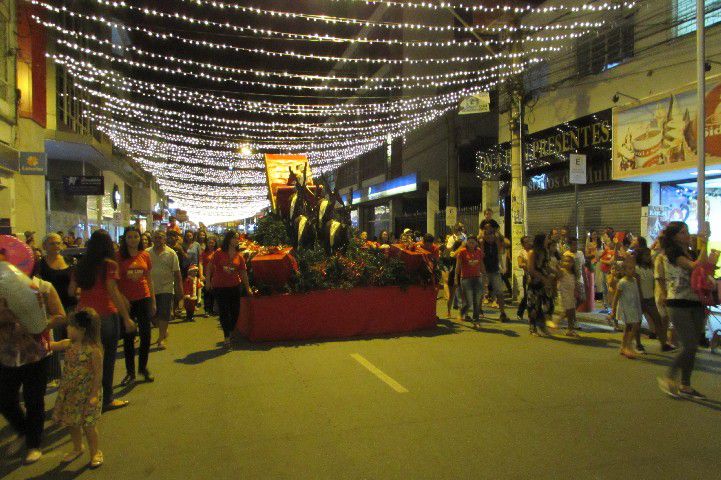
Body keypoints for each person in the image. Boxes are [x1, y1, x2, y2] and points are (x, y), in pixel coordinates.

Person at [0, 272, 66, 464]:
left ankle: (33, 443)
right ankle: (23, 431)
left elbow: (60, 315)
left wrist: (38, 324)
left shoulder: (42, 286)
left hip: (34, 352)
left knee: (34, 399)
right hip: (6, 353)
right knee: (4, 398)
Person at [71, 229, 135, 412]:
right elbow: (112, 291)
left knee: (87, 359)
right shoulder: (109, 265)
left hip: (83, 317)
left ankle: (84, 397)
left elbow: (71, 291)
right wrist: (126, 317)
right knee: (106, 360)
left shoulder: (81, 264)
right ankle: (106, 398)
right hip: (105, 315)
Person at [657, 222, 708, 399]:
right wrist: (705, 242)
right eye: (682, 232)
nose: (687, 234)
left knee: (693, 347)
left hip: (695, 301)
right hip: (678, 302)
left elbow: (702, 267)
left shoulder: (690, 251)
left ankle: (686, 384)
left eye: (687, 231)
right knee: (689, 345)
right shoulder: (672, 253)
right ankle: (669, 376)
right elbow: (694, 266)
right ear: (673, 236)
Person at [50, 309, 104, 468]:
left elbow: (98, 375)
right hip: (70, 394)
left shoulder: (94, 351)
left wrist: (94, 395)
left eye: (70, 326)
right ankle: (77, 447)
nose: (67, 328)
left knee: (89, 426)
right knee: (72, 423)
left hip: (87, 395)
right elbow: (52, 345)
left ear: (81, 329)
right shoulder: (69, 344)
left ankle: (95, 452)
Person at [116, 226, 156, 384]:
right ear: (124, 239)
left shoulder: (145, 255)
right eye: (129, 237)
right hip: (126, 301)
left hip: (144, 298)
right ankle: (130, 371)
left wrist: (153, 300)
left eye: (135, 236)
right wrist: (121, 298)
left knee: (146, 335)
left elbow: (149, 278)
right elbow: (115, 281)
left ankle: (143, 368)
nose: (133, 240)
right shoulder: (119, 256)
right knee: (128, 336)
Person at [37, 233, 78, 383]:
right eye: (52, 243)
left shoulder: (69, 261)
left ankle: (73, 370)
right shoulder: (41, 264)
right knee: (53, 340)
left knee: (73, 338)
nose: (56, 246)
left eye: (58, 243)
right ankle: (54, 375)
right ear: (45, 246)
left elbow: (75, 280)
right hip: (51, 308)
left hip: (70, 304)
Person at [207, 230, 253, 348]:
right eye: (235, 238)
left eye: (237, 238)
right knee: (224, 312)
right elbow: (209, 267)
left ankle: (231, 331)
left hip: (234, 286)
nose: (237, 240)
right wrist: (207, 281)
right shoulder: (219, 253)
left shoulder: (239, 255)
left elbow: (243, 273)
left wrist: (248, 288)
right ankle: (227, 336)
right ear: (228, 239)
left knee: (235, 311)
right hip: (220, 286)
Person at [148, 230, 183, 350]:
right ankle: (163, 330)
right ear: (152, 239)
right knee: (152, 315)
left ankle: (161, 339)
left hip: (166, 288)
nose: (158, 239)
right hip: (150, 288)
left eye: (161, 237)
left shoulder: (171, 253)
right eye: (156, 237)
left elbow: (177, 274)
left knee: (164, 313)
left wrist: (180, 292)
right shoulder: (147, 253)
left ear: (165, 239)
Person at [613, 256, 643, 359]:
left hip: (634, 307)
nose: (633, 270)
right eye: (630, 268)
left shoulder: (634, 280)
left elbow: (637, 294)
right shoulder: (622, 282)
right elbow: (616, 297)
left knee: (628, 327)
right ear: (624, 270)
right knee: (633, 326)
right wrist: (613, 311)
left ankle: (623, 346)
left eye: (634, 268)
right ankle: (628, 346)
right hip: (626, 308)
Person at [527, 233, 553, 336]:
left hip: (545, 283)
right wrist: (542, 278)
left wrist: (556, 272)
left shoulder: (545, 251)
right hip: (535, 282)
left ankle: (542, 325)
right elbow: (531, 269)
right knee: (534, 306)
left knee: (548, 305)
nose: (548, 241)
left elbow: (546, 265)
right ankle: (533, 327)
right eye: (546, 239)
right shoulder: (532, 252)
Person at [455, 235, 485, 323]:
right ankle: (463, 312)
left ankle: (476, 320)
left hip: (477, 277)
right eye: (469, 242)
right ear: (467, 243)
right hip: (466, 278)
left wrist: (485, 275)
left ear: (476, 243)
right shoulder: (462, 252)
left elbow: (481, 264)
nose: (471, 244)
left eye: (473, 242)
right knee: (469, 301)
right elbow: (458, 266)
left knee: (477, 299)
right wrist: (456, 278)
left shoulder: (479, 251)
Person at [481, 227, 508, 322]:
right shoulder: (482, 243)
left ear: (493, 235)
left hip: (495, 270)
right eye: (486, 234)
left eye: (490, 234)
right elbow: (480, 257)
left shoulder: (497, 243)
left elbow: (501, 252)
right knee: (481, 292)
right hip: (484, 271)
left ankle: (502, 313)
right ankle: (479, 310)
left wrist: (503, 266)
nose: (488, 236)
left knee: (500, 292)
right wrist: (483, 271)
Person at [558, 243, 580, 337]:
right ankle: (556, 322)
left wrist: (576, 291)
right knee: (567, 311)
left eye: (569, 262)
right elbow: (556, 274)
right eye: (565, 261)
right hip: (564, 293)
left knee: (571, 313)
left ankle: (570, 329)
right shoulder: (562, 271)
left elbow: (575, 283)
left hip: (571, 294)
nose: (567, 263)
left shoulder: (573, 273)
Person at [201, 236, 218, 316]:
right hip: (207, 275)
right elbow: (200, 263)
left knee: (214, 292)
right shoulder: (204, 253)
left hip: (216, 275)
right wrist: (201, 274)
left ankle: (213, 309)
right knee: (207, 291)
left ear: (215, 243)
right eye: (209, 243)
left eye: (212, 243)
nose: (211, 244)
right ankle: (207, 310)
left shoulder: (217, 252)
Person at [516, 236, 531, 322]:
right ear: (522, 244)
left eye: (529, 241)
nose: (528, 243)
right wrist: (528, 264)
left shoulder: (533, 251)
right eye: (526, 242)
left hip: (536, 276)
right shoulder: (522, 252)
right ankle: (520, 312)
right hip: (527, 276)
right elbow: (520, 264)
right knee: (526, 296)